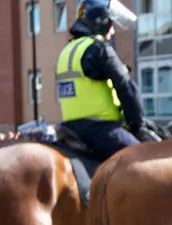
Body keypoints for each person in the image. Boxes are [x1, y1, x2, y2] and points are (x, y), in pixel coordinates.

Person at [56, 0, 149, 161]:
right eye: (111, 24)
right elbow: (127, 89)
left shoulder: (67, 51)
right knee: (144, 161)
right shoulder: (98, 49)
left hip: (70, 127)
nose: (112, 31)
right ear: (101, 21)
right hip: (100, 129)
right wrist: (136, 125)